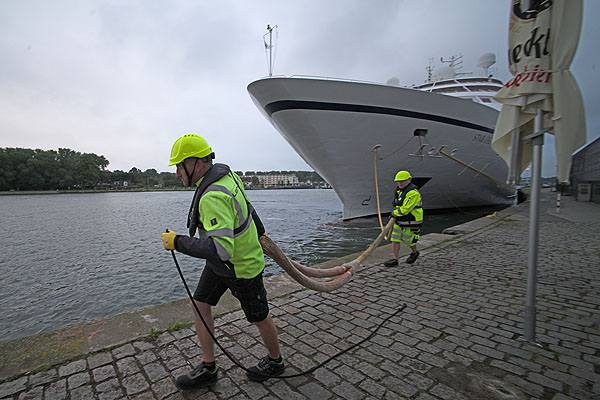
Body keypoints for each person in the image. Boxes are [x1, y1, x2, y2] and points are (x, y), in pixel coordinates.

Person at [161, 133, 285, 389]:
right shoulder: (228, 176)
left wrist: (177, 242)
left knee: (259, 317)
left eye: (178, 166)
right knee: (200, 303)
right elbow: (250, 210)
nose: (176, 173)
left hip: (241, 266)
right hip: (222, 265)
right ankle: (208, 367)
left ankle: (276, 361)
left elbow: (221, 250)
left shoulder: (212, 196)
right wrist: (260, 232)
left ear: (195, 163)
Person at [383, 170, 423, 267]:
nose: (400, 183)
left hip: (411, 222)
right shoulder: (399, 191)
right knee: (395, 239)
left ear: (409, 180)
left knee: (408, 241)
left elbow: (405, 209)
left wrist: (393, 213)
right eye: (398, 181)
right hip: (400, 221)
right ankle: (395, 259)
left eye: (402, 180)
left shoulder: (413, 193)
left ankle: (414, 252)